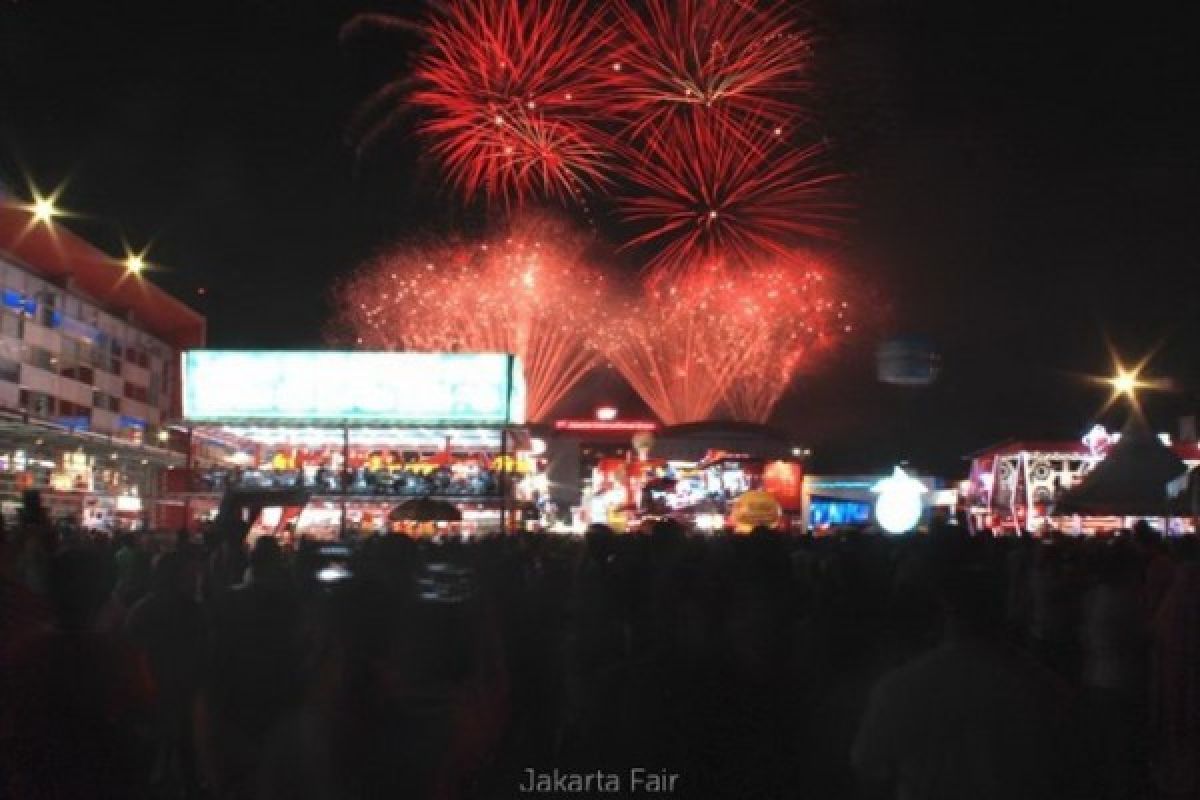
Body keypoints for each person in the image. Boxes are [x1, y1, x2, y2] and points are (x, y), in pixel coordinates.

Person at [852, 558, 1084, 800]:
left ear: (943, 612)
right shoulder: (1045, 686)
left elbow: (868, 764)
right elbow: (1067, 768)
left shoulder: (900, 687)